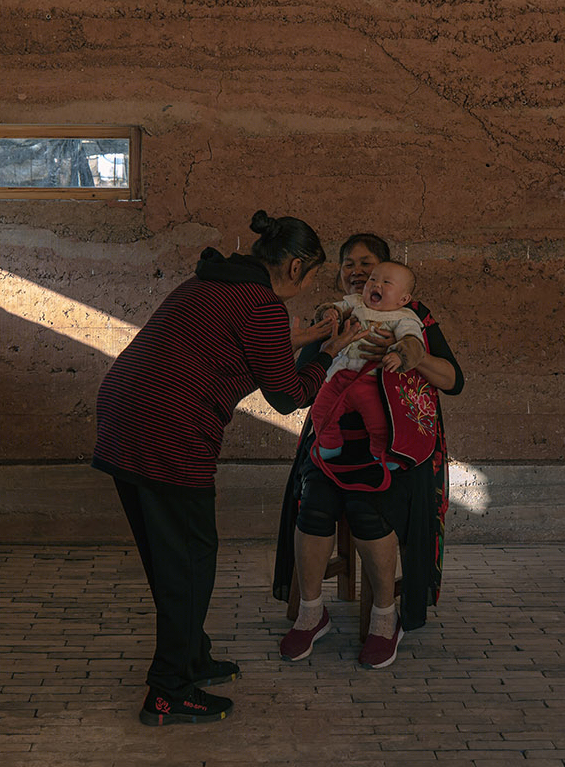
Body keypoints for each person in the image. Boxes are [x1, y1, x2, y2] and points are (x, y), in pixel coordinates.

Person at [94, 211, 366, 726]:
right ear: (294, 266)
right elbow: (286, 396)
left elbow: (237, 346)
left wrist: (306, 337)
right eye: (309, 277)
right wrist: (327, 357)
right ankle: (168, 690)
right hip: (168, 431)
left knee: (171, 555)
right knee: (191, 561)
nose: (306, 287)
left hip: (124, 416)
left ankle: (192, 656)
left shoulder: (211, 281)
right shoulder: (260, 304)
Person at [271, 234, 464, 670]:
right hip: (332, 441)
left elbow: (454, 380)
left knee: (368, 507)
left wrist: (408, 357)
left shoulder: (412, 317)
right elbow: (299, 390)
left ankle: (384, 618)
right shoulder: (341, 313)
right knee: (314, 504)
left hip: (395, 447)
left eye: (369, 265)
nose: (360, 273)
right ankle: (311, 612)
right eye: (350, 266)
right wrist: (326, 345)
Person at [306, 261, 426, 475]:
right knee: (320, 411)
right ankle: (329, 444)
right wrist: (329, 314)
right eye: (373, 279)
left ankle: (381, 454)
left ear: (404, 299)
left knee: (379, 423)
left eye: (386, 282)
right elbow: (336, 307)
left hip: (371, 381)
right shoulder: (356, 302)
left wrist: (400, 356)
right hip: (340, 374)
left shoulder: (404, 318)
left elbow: (413, 343)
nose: (376, 285)